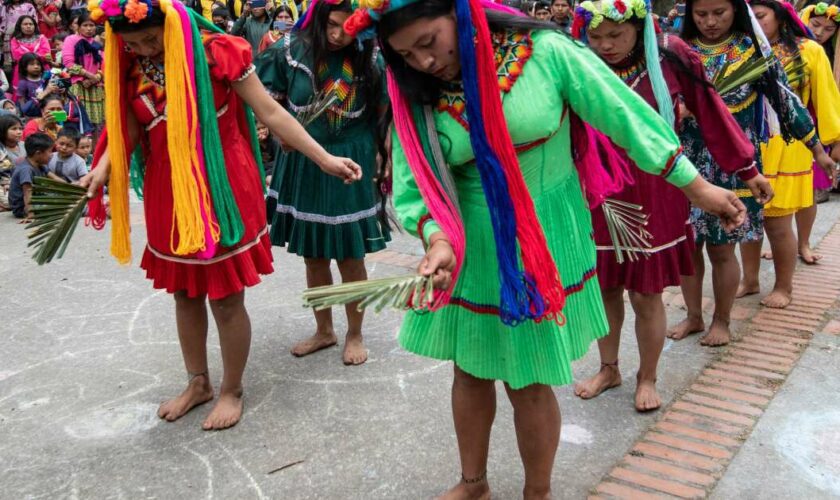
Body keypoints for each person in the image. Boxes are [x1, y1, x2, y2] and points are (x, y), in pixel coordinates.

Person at [345, 0, 746, 496]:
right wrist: (437, 238)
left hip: (542, 239)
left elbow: (624, 116)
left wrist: (697, 186)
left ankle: (538, 491)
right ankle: (474, 483)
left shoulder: (547, 52)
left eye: (428, 42)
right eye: (407, 54)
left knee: (527, 380)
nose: (424, 62)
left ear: (463, 15)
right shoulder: (416, 93)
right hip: (470, 243)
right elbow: (414, 180)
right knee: (469, 370)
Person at [81, 0, 360, 430]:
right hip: (168, 190)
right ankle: (198, 383)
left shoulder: (217, 51)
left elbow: (270, 112)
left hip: (222, 186)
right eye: (134, 44)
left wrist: (324, 159)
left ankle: (231, 389)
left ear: (170, 23)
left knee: (226, 297)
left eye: (151, 39)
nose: (145, 50)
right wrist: (100, 171)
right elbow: (129, 129)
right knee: (184, 293)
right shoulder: (130, 65)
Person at [571, 0, 772, 411]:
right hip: (594, 191)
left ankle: (648, 376)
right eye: (597, 36)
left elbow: (712, 113)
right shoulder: (577, 62)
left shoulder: (670, 55)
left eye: (616, 35)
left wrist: (746, 167)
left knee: (646, 294)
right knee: (604, 286)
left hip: (654, 190)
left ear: (638, 24)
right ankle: (609, 367)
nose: (606, 45)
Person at [668, 0, 828, 345]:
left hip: (736, 168)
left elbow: (787, 102)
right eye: (701, 14)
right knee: (689, 246)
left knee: (722, 249)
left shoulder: (753, 52)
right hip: (686, 165)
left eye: (719, 13)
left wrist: (817, 149)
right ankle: (694, 317)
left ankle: (721, 321)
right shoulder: (677, 52)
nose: (710, 22)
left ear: (736, 12)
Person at [256, 0, 391, 365]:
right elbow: (264, 97)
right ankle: (324, 330)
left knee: (350, 255)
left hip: (351, 160)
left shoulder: (371, 58)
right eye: (331, 25)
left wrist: (384, 157)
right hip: (303, 160)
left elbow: (384, 114)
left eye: (347, 29)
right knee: (314, 255)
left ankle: (355, 333)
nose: (337, 35)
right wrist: (274, 128)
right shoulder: (289, 50)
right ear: (318, 18)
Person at [738, 0, 840, 307]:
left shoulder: (810, 51)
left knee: (777, 223)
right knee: (746, 219)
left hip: (790, 144)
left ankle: (784, 287)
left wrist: (833, 141)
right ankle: (750, 279)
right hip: (749, 144)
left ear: (781, 17)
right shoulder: (741, 48)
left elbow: (825, 97)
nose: (755, 24)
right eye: (750, 19)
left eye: (760, 17)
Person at [63, 12, 105, 131]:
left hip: (95, 87)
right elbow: (69, 63)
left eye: (91, 25)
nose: (89, 29)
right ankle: (80, 148)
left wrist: (95, 77)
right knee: (78, 120)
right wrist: (88, 75)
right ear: (79, 26)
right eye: (85, 25)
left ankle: (95, 149)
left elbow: (103, 65)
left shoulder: (97, 44)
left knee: (96, 125)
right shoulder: (71, 40)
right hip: (78, 85)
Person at [8, 132, 53, 220]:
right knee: (58, 206)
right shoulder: (26, 169)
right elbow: (27, 192)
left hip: (38, 198)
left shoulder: (40, 164)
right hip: (23, 207)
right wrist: (30, 213)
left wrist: (71, 188)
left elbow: (55, 179)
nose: (51, 155)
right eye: (49, 151)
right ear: (38, 153)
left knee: (60, 197)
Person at [10, 15, 53, 89]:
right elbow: (17, 56)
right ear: (20, 26)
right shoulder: (15, 40)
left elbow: (46, 53)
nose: (28, 26)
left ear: (34, 26)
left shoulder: (42, 38)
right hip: (22, 70)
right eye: (25, 24)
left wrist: (29, 56)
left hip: (41, 69)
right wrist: (38, 56)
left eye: (31, 24)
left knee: (45, 92)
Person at [0, 0, 37, 74]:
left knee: (25, 55)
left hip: (24, 34)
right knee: (13, 59)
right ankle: (15, 76)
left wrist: (30, 31)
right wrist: (1, 31)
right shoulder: (6, 6)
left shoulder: (29, 6)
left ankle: (27, 74)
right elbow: (3, 21)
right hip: (9, 34)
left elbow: (33, 20)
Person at [0, 113, 25, 211]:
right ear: (3, 131)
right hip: (4, 184)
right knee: (10, 201)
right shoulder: (1, 150)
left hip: (24, 183)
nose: (19, 132)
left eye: (20, 129)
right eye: (14, 129)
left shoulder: (25, 145)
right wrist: (6, 182)